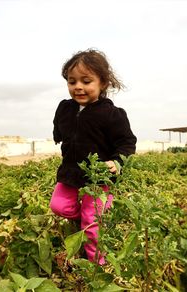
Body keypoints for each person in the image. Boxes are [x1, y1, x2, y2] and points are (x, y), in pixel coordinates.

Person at [50, 49, 137, 265]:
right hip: (71, 171)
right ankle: (83, 220)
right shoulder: (65, 108)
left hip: (99, 176)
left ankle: (98, 264)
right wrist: (57, 135)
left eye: (86, 81)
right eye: (72, 81)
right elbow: (58, 126)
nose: (78, 86)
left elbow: (127, 142)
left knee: (93, 222)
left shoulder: (112, 114)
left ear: (103, 83)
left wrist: (116, 162)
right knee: (59, 206)